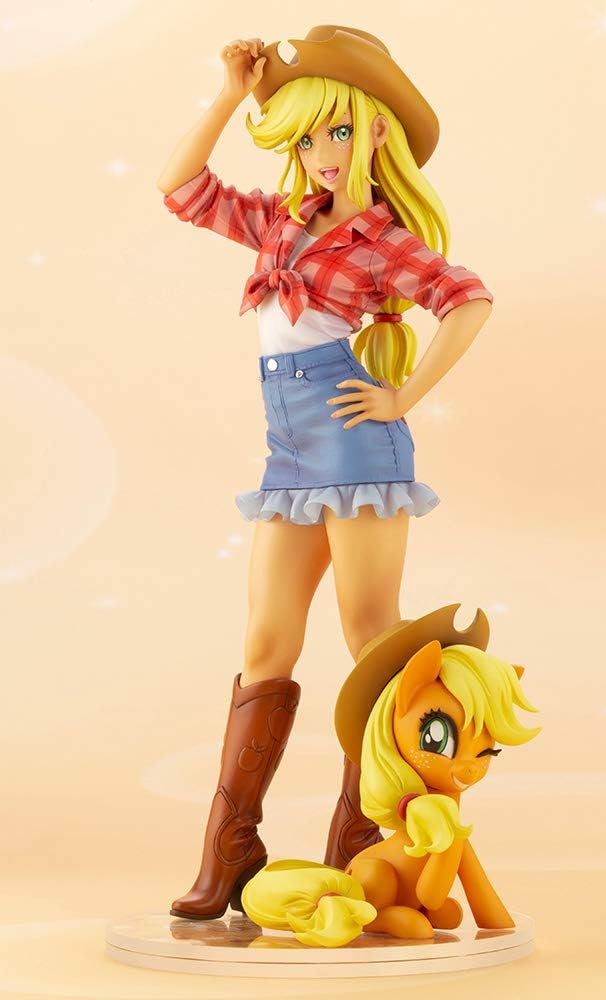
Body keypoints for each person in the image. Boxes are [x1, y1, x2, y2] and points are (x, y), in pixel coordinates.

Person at [158, 24, 494, 921]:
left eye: (337, 130)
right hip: (288, 452)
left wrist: (403, 396)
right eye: (306, 136)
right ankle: (230, 848)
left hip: (353, 445)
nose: (321, 151)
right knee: (265, 646)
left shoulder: (383, 241)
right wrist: (231, 95)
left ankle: (362, 829)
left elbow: (467, 299)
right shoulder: (280, 218)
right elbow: (181, 189)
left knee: (371, 635)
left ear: (376, 131)